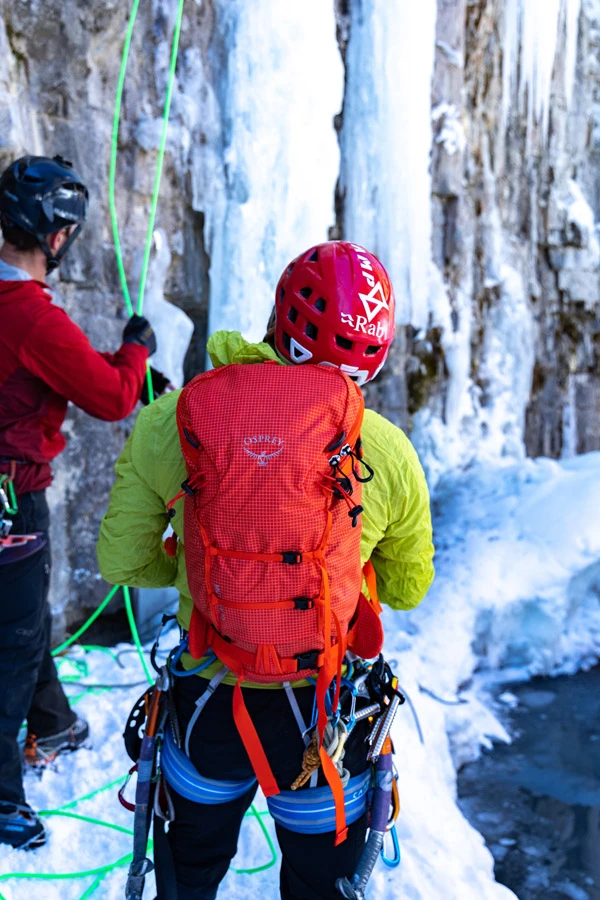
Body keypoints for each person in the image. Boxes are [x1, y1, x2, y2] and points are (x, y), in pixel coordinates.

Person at [97, 241, 435, 900]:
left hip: (206, 701)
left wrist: (207, 571)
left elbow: (123, 559)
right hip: (323, 719)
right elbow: (406, 586)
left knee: (188, 871)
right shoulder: (387, 451)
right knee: (318, 885)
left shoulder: (176, 418)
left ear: (281, 317)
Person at [0, 154, 158, 850]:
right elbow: (112, 396)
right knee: (11, 643)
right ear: (55, 236)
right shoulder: (30, 317)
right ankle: (3, 800)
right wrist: (137, 350)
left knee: (23, 624)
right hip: (12, 502)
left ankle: (55, 722)